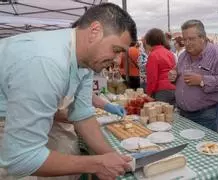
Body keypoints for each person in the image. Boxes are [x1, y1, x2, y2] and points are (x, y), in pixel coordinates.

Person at [0, 3, 137, 180]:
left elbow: (82, 114)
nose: (117, 59)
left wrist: (117, 160)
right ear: (95, 31)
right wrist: (97, 163)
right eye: (116, 50)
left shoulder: (86, 61)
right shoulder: (46, 62)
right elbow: (20, 160)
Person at [168, 19, 218, 132]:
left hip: (205, 115)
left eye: (191, 39)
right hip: (183, 113)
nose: (187, 43)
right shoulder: (183, 55)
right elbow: (177, 71)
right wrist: (174, 75)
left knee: (204, 147)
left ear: (203, 38)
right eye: (185, 39)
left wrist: (202, 80)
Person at [145, 28, 176, 104]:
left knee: (159, 113)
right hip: (173, 87)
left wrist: (148, 93)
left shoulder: (153, 55)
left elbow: (152, 77)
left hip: (162, 90)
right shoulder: (169, 53)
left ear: (149, 41)